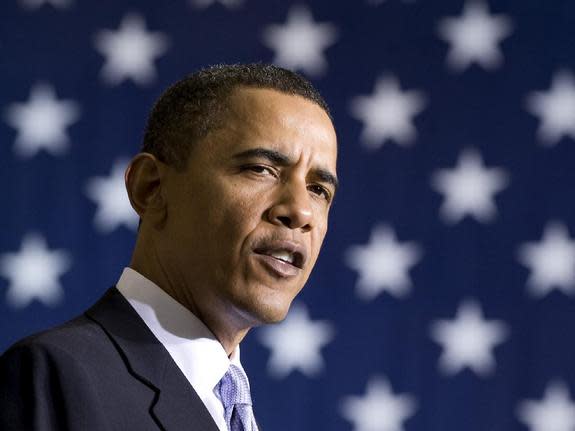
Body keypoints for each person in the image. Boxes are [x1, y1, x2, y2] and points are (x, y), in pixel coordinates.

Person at [0, 63, 338, 430]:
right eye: (260, 169)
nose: (301, 211)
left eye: (319, 190)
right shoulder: (54, 379)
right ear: (151, 189)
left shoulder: (232, 407)